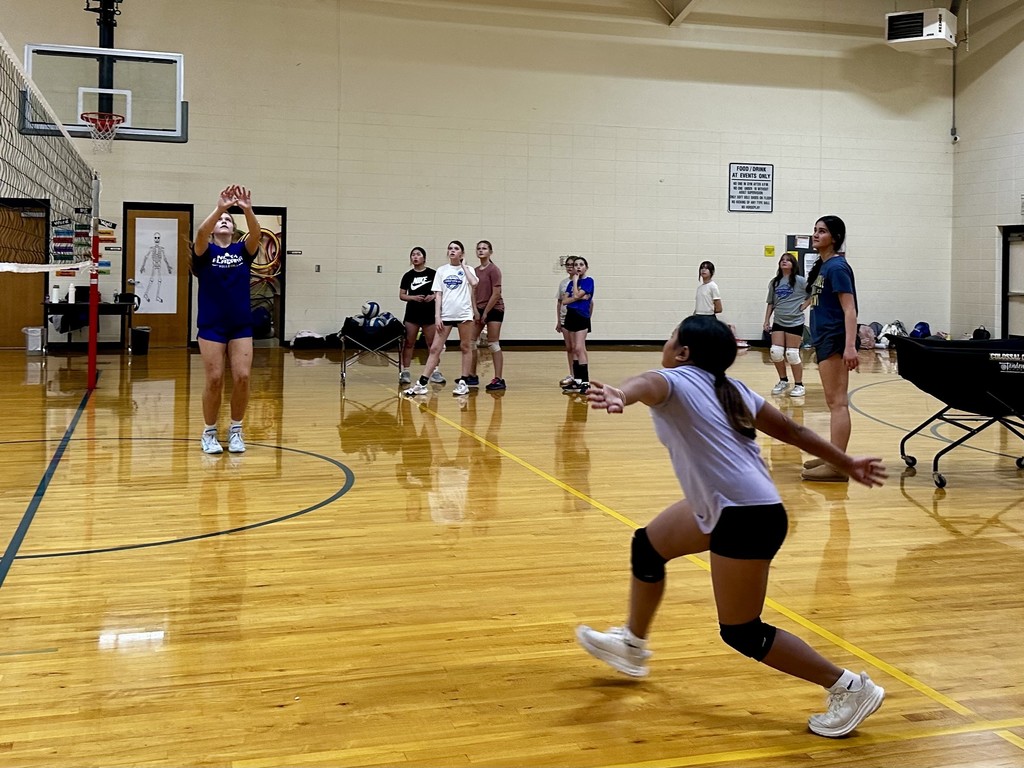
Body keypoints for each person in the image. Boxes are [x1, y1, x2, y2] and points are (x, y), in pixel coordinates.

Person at [574, 314, 887, 739]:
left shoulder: (677, 379)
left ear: (683, 353)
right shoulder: (732, 388)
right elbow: (792, 430)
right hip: (731, 506)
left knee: (743, 631)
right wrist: (845, 461)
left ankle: (849, 687)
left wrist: (619, 393)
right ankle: (632, 644)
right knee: (648, 545)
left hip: (745, 515)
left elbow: (645, 384)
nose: (666, 344)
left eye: (671, 338)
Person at [190, 185, 262, 455]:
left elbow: (255, 234)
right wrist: (221, 207)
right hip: (211, 324)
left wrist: (245, 209)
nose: (223, 221)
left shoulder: (243, 252)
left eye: (228, 221)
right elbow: (199, 233)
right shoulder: (205, 251)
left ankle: (236, 430)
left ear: (233, 230)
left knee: (242, 376)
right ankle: (209, 432)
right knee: (215, 379)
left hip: (241, 324)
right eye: (221, 219)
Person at [801, 216, 859, 482]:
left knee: (838, 402)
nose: (815, 234)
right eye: (814, 230)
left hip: (835, 339)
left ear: (834, 237)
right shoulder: (824, 267)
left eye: (821, 231)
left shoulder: (837, 267)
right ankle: (833, 456)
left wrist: (850, 347)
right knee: (832, 401)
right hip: (824, 338)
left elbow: (849, 309)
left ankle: (838, 467)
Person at [402, 241, 478, 398]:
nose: (452, 251)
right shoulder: (442, 271)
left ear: (462, 253)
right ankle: (422, 384)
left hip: (464, 315)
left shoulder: (468, 269)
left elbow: (474, 283)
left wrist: (463, 265)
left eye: (456, 249)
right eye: (450, 248)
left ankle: (463, 382)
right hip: (446, 315)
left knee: (465, 347)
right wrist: (437, 316)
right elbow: (438, 294)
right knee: (435, 348)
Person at [398, 247, 445, 386]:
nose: (415, 257)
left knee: (432, 344)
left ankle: (435, 371)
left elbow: (440, 292)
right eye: (413, 255)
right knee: (409, 343)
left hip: (429, 313)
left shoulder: (433, 274)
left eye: (418, 254)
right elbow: (402, 295)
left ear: (424, 258)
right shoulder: (408, 275)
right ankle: (405, 371)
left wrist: (432, 296)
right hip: (412, 313)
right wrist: (413, 298)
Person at [762, 252, 807, 397]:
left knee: (792, 354)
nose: (784, 262)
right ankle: (783, 381)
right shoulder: (775, 282)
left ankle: (799, 385)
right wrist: (766, 320)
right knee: (776, 352)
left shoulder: (800, 281)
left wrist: (804, 305)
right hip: (779, 321)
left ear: (793, 264)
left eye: (788, 260)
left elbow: (815, 294)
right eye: (782, 260)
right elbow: (771, 303)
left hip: (795, 321)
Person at [469, 240, 506, 391]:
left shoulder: (494, 270)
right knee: (470, 342)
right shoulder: (475, 271)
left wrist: (485, 313)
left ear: (490, 251)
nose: (481, 251)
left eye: (484, 248)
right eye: (478, 248)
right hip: (479, 309)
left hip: (494, 309)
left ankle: (499, 378)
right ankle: (471, 374)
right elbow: (473, 292)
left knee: (493, 343)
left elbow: (496, 294)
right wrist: (476, 311)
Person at [561, 256, 594, 394]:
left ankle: (585, 382)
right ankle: (577, 381)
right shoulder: (568, 283)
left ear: (586, 267)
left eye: (581, 264)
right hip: (571, 316)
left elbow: (575, 295)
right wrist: (576, 296)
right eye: (576, 265)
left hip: (582, 316)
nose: (578, 267)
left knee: (580, 348)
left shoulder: (588, 281)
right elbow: (565, 301)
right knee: (574, 348)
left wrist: (575, 284)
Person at [556, 256, 577, 387]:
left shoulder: (582, 282)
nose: (569, 267)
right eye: (567, 265)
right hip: (564, 318)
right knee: (569, 348)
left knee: (577, 348)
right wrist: (558, 320)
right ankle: (572, 374)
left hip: (576, 318)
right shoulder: (563, 283)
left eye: (572, 265)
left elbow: (590, 303)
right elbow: (559, 302)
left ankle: (579, 376)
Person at [140, 231, 173, 303]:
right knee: (152, 279)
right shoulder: (151, 248)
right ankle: (146, 294)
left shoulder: (162, 249)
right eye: (155, 238)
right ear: (154, 239)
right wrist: (143, 266)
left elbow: (164, 258)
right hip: (154, 264)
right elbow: (146, 257)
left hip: (159, 265)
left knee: (159, 280)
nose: (157, 239)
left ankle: (157, 296)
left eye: (158, 238)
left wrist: (168, 267)